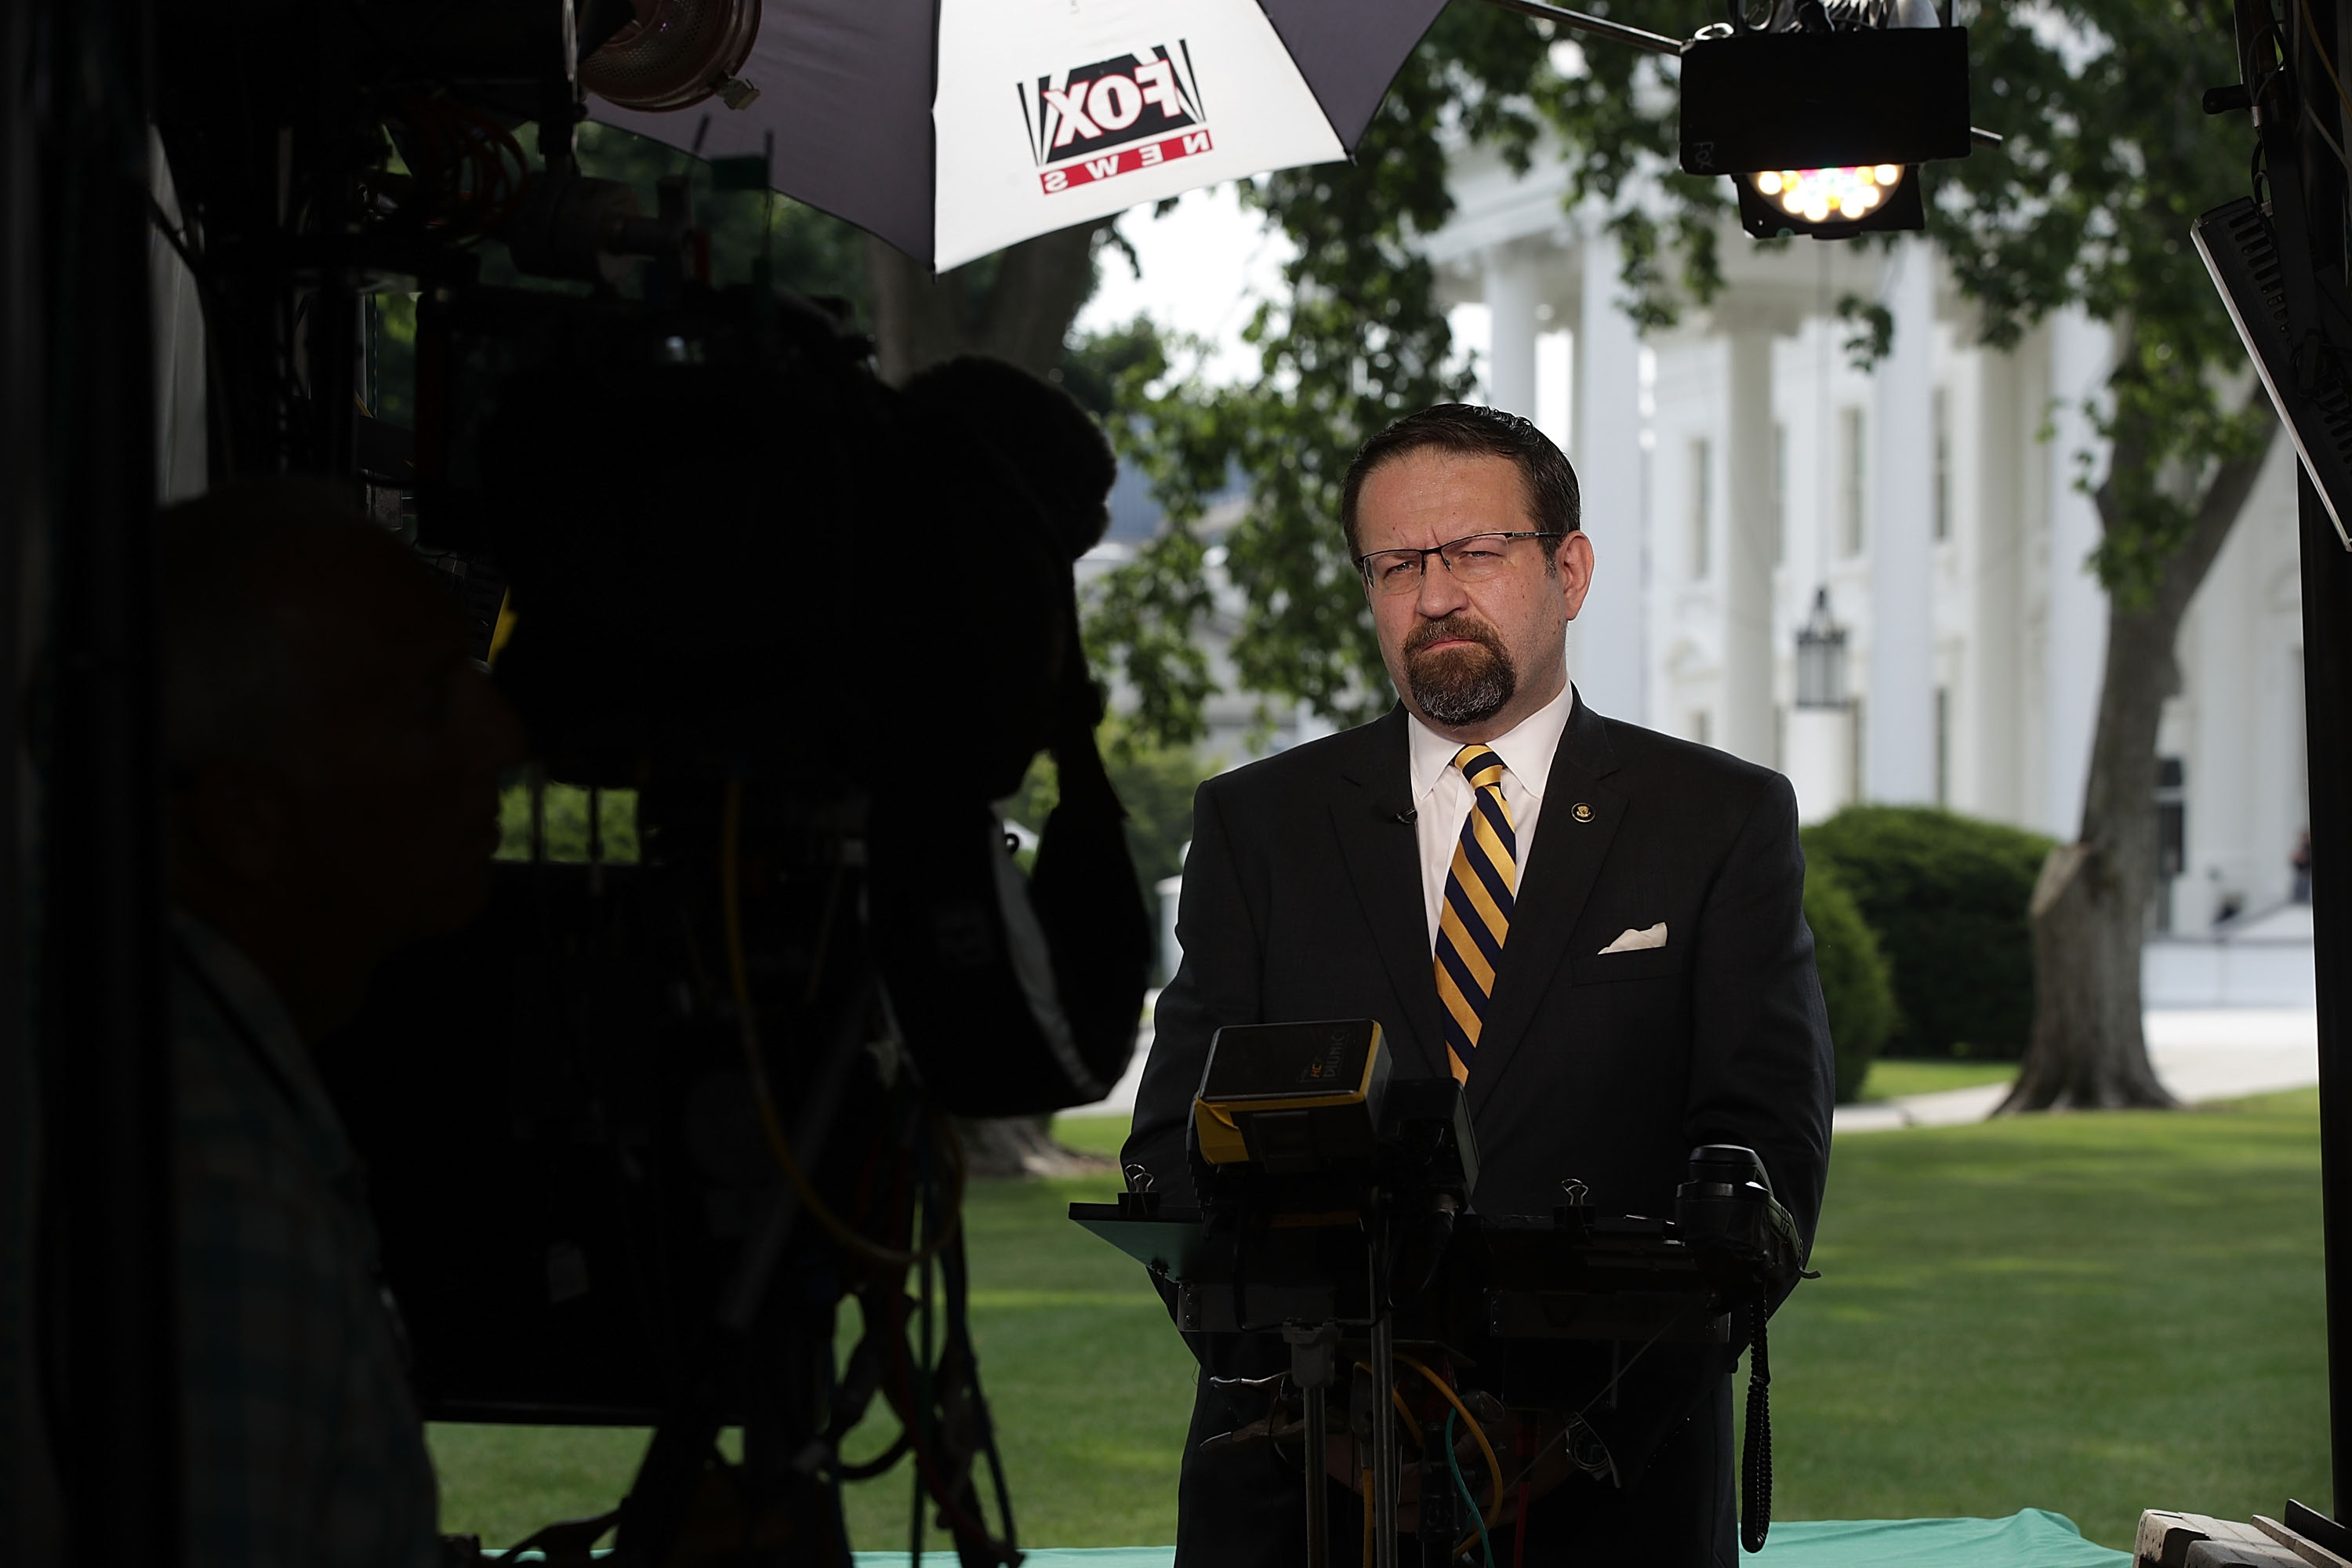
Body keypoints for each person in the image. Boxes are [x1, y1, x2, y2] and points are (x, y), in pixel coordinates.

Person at [1122, 405, 1835, 1567]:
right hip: (1300, 1493)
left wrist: (1567, 1441)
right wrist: (1339, 1432)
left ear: (1569, 570)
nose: (1434, 595)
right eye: (1398, 563)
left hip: (1613, 1496)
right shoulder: (1259, 826)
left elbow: (1763, 1169)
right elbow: (1173, 1160)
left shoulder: (1718, 821)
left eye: (1472, 553)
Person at [163, 481, 526, 1568]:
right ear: (247, 822)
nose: (501, 737)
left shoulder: (210, 1096)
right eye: (425, 703)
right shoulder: (211, 1195)